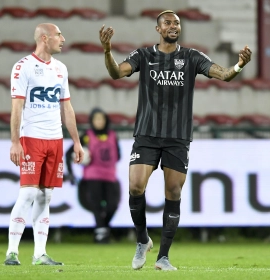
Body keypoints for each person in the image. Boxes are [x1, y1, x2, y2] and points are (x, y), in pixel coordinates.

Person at [99, 10, 252, 271]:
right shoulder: (144, 56)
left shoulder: (192, 57)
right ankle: (142, 239)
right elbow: (116, 73)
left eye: (177, 23)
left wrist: (239, 65)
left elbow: (224, 75)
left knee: (173, 192)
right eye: (168, 23)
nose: (173, 26)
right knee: (136, 186)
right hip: (147, 133)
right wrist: (107, 51)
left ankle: (163, 257)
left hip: (177, 137)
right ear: (158, 29)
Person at [5, 23, 84, 266]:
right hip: (32, 138)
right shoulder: (23, 67)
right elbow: (16, 106)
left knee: (45, 196)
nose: (63, 38)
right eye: (59, 35)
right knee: (28, 192)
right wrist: (15, 141)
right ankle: (12, 251)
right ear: (44, 37)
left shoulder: (61, 68)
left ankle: (39, 254)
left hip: (55, 140)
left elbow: (66, 107)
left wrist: (77, 142)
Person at [65, 107, 121, 244]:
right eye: (96, 119)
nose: (99, 122)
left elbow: (118, 155)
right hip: (92, 176)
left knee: (112, 205)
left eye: (101, 119)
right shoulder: (86, 136)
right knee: (96, 206)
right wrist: (71, 173)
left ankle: (103, 228)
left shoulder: (113, 135)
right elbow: (68, 153)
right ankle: (101, 234)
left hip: (110, 176)